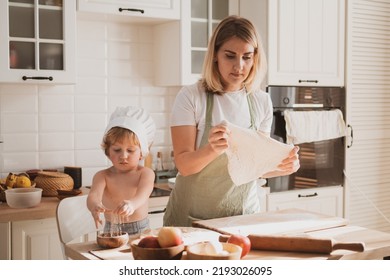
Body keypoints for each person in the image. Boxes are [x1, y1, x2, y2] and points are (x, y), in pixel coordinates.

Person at [163, 15, 300, 227]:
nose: (239, 66)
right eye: (230, 56)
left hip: (242, 218)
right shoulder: (191, 96)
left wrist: (283, 166)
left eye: (247, 57)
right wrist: (212, 149)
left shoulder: (260, 101)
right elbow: (184, 165)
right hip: (192, 220)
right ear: (215, 55)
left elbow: (252, 167)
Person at [87, 106, 156, 235]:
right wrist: (94, 206)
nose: (123, 156)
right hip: (111, 229)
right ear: (107, 152)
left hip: (140, 229)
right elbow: (93, 195)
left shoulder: (146, 173)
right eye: (117, 150)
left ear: (142, 153)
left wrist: (132, 204)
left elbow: (143, 194)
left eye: (130, 150)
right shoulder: (102, 176)